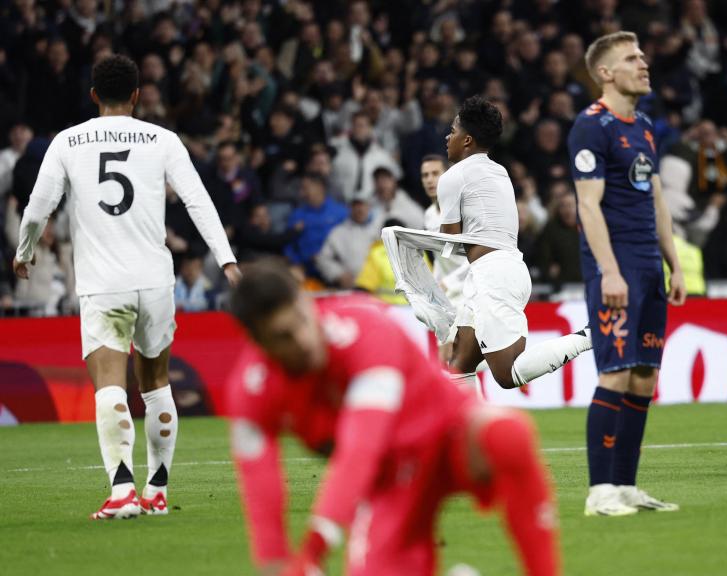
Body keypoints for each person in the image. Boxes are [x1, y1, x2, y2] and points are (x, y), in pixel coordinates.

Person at [13, 55, 239, 519]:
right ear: (137, 95)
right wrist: (227, 260)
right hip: (155, 280)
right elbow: (200, 202)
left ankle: (122, 492)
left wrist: (25, 249)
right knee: (156, 384)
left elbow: (37, 209)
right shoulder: (163, 140)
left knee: (109, 384)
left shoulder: (68, 142)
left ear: (94, 95)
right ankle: (156, 491)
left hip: (103, 283)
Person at [225, 262, 559, 576]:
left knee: (506, 435)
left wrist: (315, 547)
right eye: (283, 337)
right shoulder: (250, 391)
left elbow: (361, 446)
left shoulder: (363, 329)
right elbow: (260, 486)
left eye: (301, 320)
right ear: (258, 342)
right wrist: (278, 566)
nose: (303, 341)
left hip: (449, 433)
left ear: (305, 300)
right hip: (391, 477)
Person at [567, 31, 687, 517]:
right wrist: (609, 272)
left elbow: (656, 199)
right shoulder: (590, 127)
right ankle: (599, 492)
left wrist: (675, 263)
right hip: (614, 270)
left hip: (649, 269)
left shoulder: (643, 124)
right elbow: (587, 206)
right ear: (605, 73)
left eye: (642, 55)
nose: (643, 63)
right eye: (631, 58)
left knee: (642, 377)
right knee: (614, 374)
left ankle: (626, 486)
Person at [439, 96, 592, 394]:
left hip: (491, 276)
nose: (448, 137)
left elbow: (450, 240)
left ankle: (590, 336)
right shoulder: (500, 172)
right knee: (459, 365)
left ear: (467, 140)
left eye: (453, 130)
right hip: (507, 269)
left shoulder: (452, 177)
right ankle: (474, 438)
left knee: (508, 374)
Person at [421, 154, 468, 363]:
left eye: (435, 173)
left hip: (469, 290)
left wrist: (447, 283)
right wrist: (434, 285)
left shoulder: (463, 210)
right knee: (449, 361)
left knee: (451, 357)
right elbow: (439, 260)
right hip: (446, 296)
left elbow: (475, 258)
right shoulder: (429, 215)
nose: (429, 180)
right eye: (425, 175)